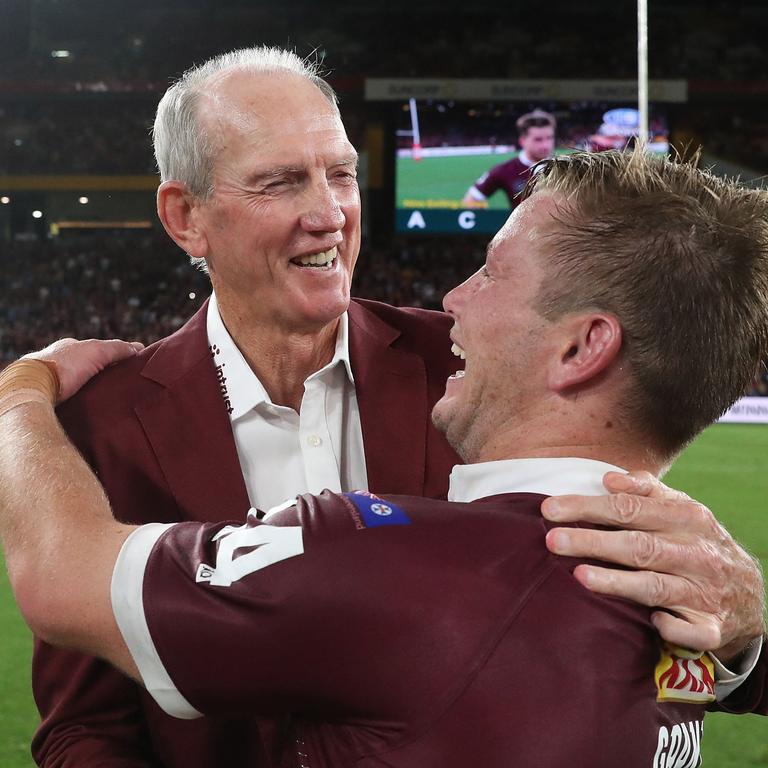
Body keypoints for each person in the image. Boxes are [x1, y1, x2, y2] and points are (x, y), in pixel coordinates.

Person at [27, 47, 765, 767]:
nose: (329, 213)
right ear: (185, 215)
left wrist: (742, 637)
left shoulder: (483, 375)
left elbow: (627, 592)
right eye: (280, 182)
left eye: (341, 174)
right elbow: (82, 727)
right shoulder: (105, 421)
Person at [462, 108, 556, 209]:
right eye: (538, 140)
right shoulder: (505, 170)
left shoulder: (567, 167)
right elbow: (471, 199)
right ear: (522, 141)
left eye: (549, 138)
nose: (545, 145)